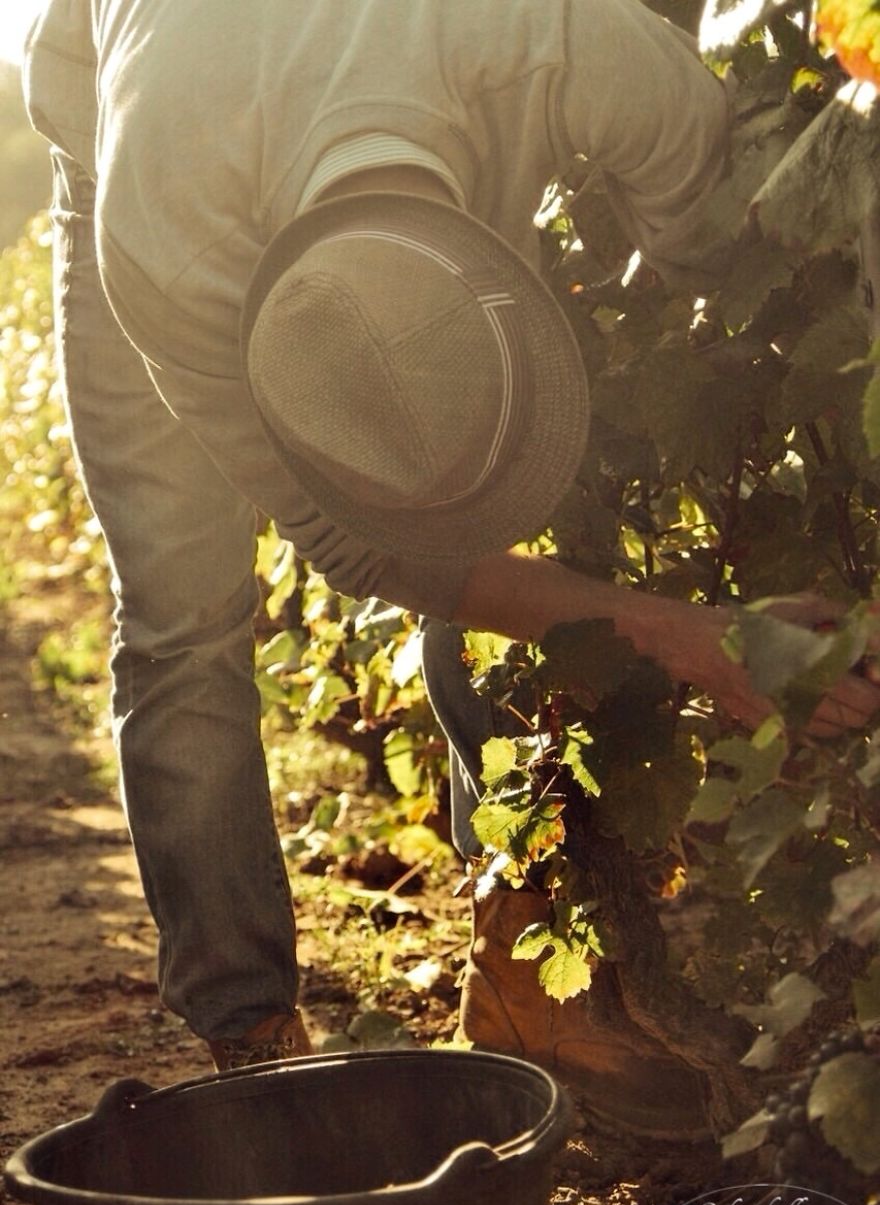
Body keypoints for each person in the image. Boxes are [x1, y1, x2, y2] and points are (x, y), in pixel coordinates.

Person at [22, 0, 880, 1132]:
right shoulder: (169, 240)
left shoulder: (570, 39)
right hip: (128, 101)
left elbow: (743, 269)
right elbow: (365, 547)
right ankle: (251, 1038)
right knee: (183, 623)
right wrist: (678, 628)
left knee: (502, 452)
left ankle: (524, 977)